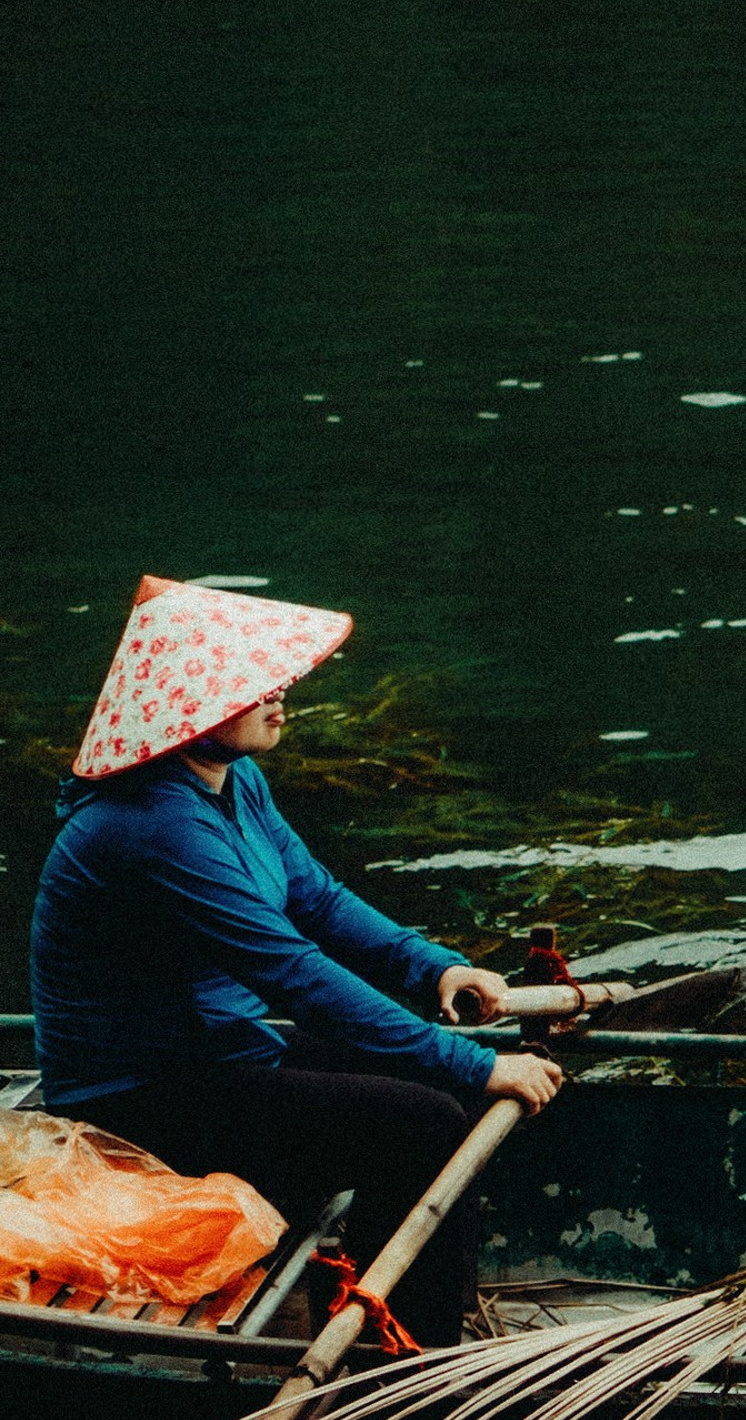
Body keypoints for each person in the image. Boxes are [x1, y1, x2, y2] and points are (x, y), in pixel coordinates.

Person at [30, 575, 561, 1346]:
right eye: (251, 684)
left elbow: (314, 898)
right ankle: (401, 1361)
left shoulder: (233, 781)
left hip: (227, 1048)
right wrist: (470, 1061)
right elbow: (291, 971)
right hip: (139, 1097)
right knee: (426, 1118)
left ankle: (395, 1314)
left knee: (442, 1093)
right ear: (193, 706)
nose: (281, 693)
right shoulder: (150, 825)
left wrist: (434, 968)